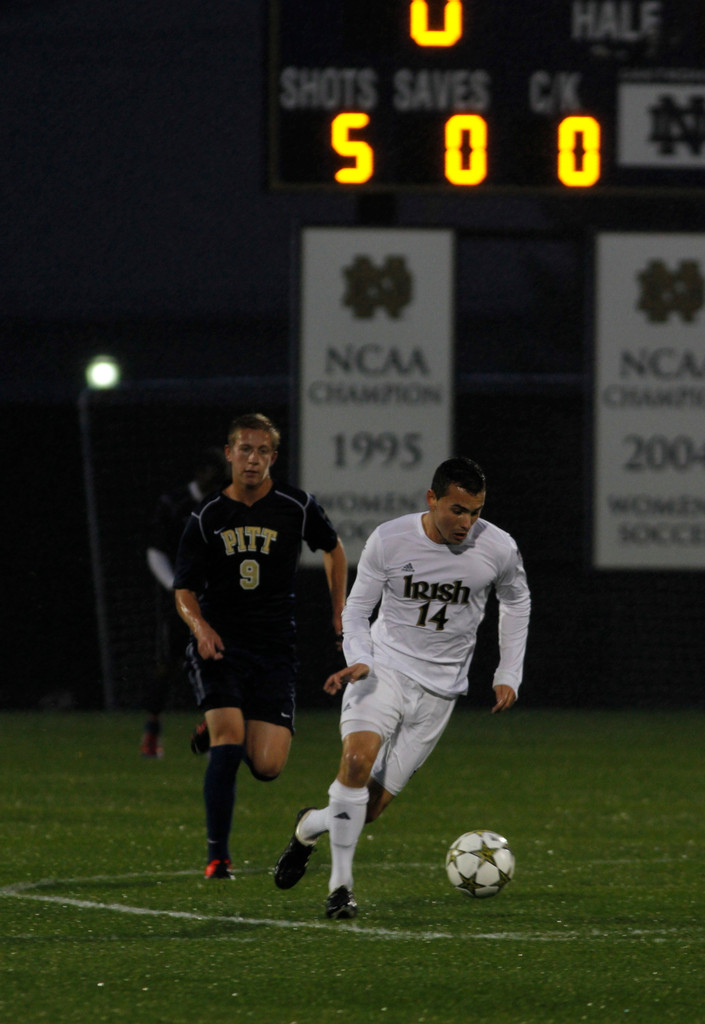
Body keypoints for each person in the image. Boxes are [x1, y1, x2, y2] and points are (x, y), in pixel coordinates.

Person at [274, 456, 530, 919]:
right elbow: (356, 612)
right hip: (383, 668)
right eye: (456, 509)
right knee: (355, 762)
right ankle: (340, 889)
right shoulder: (390, 539)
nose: (466, 523)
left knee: (367, 809)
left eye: (475, 512)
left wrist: (508, 671)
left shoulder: (498, 548)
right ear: (431, 499)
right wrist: (361, 659)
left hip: (440, 691)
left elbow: (517, 600)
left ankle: (309, 827)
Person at [173, 412, 347, 879]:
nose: (253, 459)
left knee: (268, 767)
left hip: (274, 649)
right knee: (230, 738)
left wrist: (339, 609)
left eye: (262, 451)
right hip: (222, 647)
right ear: (229, 454)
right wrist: (200, 628)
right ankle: (217, 857)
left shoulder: (296, 505)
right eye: (244, 449)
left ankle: (221, 720)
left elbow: (333, 549)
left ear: (274, 456)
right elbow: (183, 589)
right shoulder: (208, 515)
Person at [140, 447, 228, 757]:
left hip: (215, 600)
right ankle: (152, 732)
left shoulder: (225, 505)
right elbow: (155, 550)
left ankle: (211, 732)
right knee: (168, 664)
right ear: (200, 472)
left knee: (217, 663)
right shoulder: (174, 505)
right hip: (180, 600)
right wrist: (176, 587)